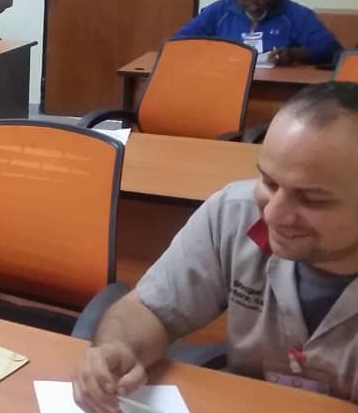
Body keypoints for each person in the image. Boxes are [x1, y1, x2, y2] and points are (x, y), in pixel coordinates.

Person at [74, 81, 358, 410]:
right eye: (269, 182)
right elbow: (151, 310)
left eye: (311, 199)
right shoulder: (234, 213)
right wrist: (120, 347)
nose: (272, 214)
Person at [175, 0, 340, 65]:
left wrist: (293, 55)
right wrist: (212, 53)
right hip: (225, 82)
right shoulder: (220, 11)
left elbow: (330, 48)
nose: (253, 7)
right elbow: (177, 43)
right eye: (244, 1)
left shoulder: (294, 14)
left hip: (279, 89)